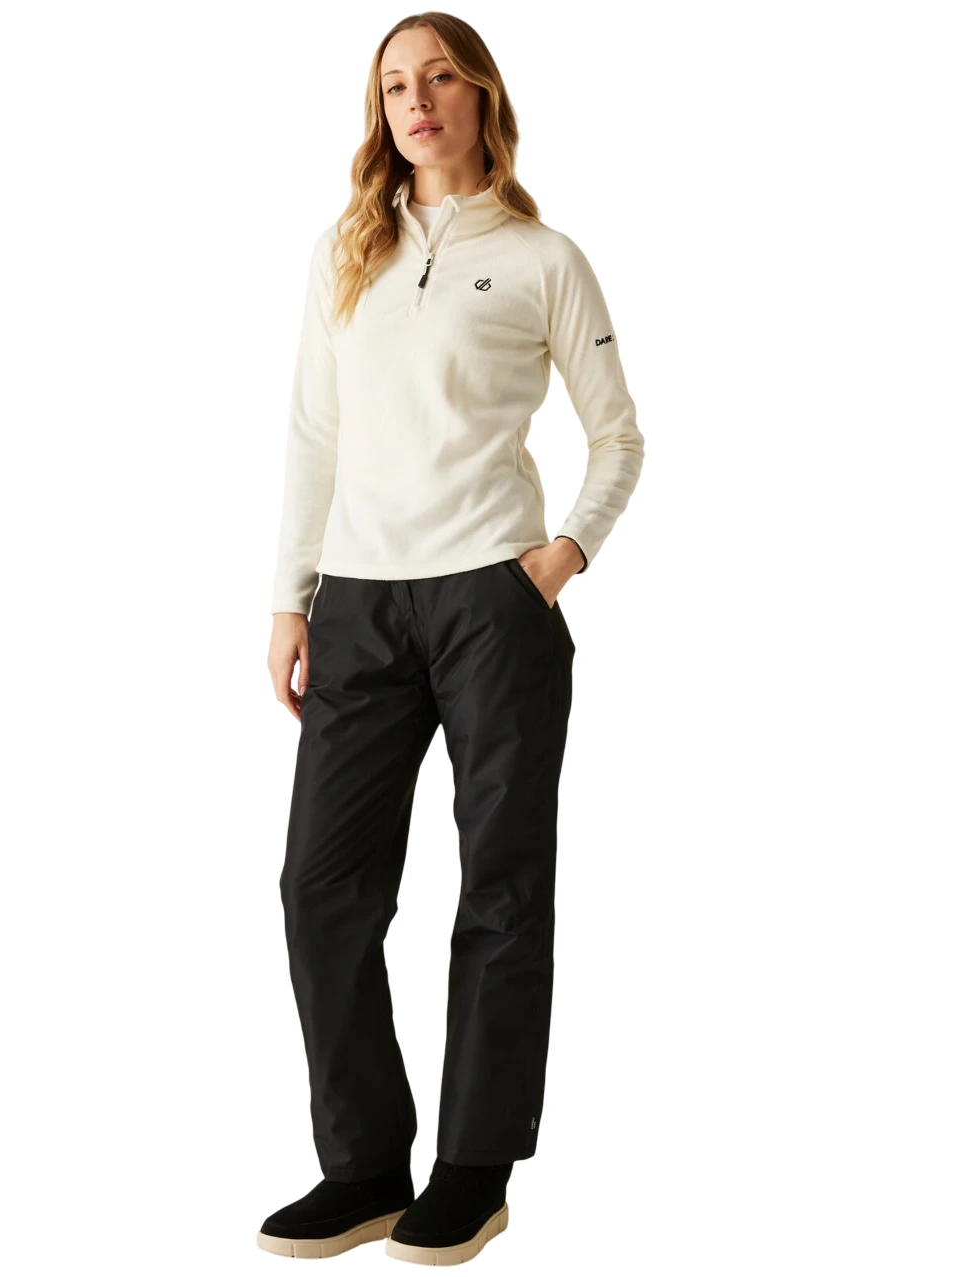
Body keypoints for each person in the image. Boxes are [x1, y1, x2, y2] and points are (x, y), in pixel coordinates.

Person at [259, 13, 644, 1265]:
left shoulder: (542, 258)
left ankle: (473, 1169)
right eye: (393, 85)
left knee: (501, 885)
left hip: (492, 601)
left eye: (437, 78)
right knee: (320, 887)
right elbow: (312, 434)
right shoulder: (347, 251)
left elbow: (617, 434)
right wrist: (289, 597)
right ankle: (364, 1166)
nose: (415, 100)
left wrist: (561, 554)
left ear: (480, 94)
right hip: (357, 600)